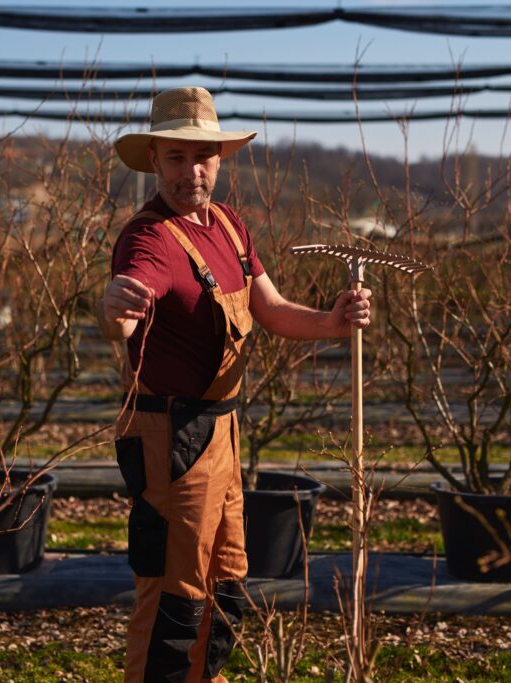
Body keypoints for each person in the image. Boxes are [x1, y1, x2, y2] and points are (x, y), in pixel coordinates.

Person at [99, 86, 371, 683]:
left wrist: (331, 321)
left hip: (221, 429)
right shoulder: (148, 239)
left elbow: (269, 308)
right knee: (174, 588)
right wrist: (114, 309)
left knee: (224, 579)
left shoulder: (228, 225)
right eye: (176, 157)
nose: (191, 171)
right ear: (154, 161)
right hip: (168, 434)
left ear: (220, 161)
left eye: (203, 157)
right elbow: (123, 310)